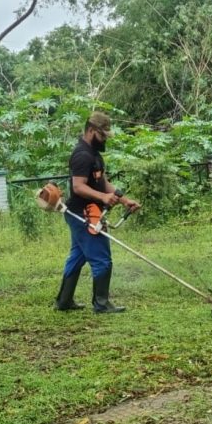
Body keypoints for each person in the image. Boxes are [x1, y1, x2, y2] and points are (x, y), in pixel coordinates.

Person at [54, 111, 140, 313]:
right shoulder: (82, 155)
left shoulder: (94, 155)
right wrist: (102, 198)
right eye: (102, 135)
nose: (104, 140)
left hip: (83, 212)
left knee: (77, 256)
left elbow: (102, 182)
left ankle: (64, 301)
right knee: (101, 258)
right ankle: (101, 304)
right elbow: (78, 186)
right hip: (82, 214)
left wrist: (124, 200)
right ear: (92, 130)